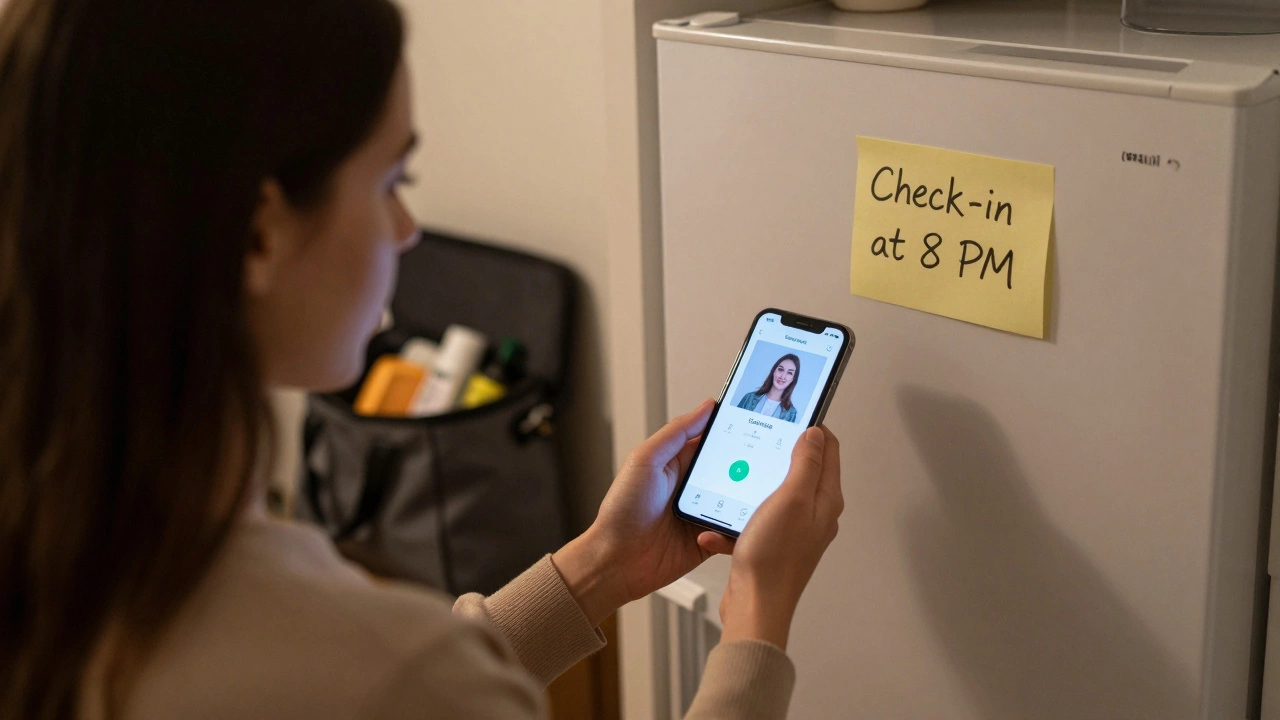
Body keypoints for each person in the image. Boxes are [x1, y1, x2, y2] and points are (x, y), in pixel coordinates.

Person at [0, 1, 844, 719]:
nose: (406, 230)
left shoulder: (70, 552)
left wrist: (598, 567)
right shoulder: (379, 669)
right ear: (259, 232)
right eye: (391, 181)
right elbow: (400, 685)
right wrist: (757, 624)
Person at [737, 354, 802, 423]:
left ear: (793, 379)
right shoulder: (749, 398)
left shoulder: (791, 413)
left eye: (789, 373)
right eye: (780, 369)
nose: (783, 376)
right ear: (773, 371)